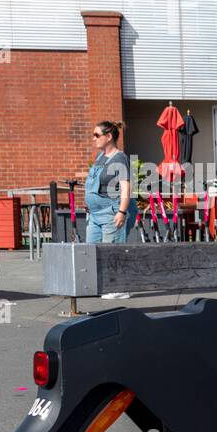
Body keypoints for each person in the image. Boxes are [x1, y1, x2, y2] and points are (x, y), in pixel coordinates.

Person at [84, 120, 132, 299]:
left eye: (96, 135)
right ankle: (103, 285)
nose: (93, 138)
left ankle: (119, 288)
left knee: (112, 251)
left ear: (109, 136)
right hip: (95, 214)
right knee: (92, 249)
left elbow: (126, 188)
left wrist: (122, 211)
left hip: (111, 212)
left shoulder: (120, 158)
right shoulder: (100, 157)